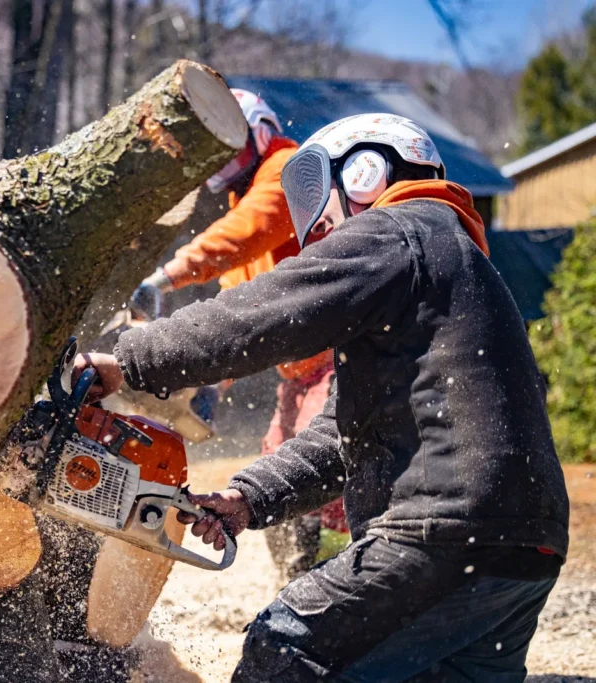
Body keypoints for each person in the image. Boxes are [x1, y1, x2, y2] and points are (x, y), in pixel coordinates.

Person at [75, 113, 569, 681]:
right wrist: (248, 498)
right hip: (522, 555)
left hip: (442, 535)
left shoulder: (401, 231)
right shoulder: (457, 270)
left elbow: (264, 314)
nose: (315, 213)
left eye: (316, 187)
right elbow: (345, 433)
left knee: (283, 647)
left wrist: (130, 360)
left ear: (363, 174)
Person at [130, 89, 345, 581]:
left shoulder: (292, 171)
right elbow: (237, 308)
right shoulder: (243, 196)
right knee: (275, 471)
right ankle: (294, 584)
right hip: (299, 372)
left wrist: (167, 277)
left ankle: (348, 583)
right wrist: (211, 383)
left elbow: (246, 231)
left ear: (259, 131)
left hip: (339, 361)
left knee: (328, 479)